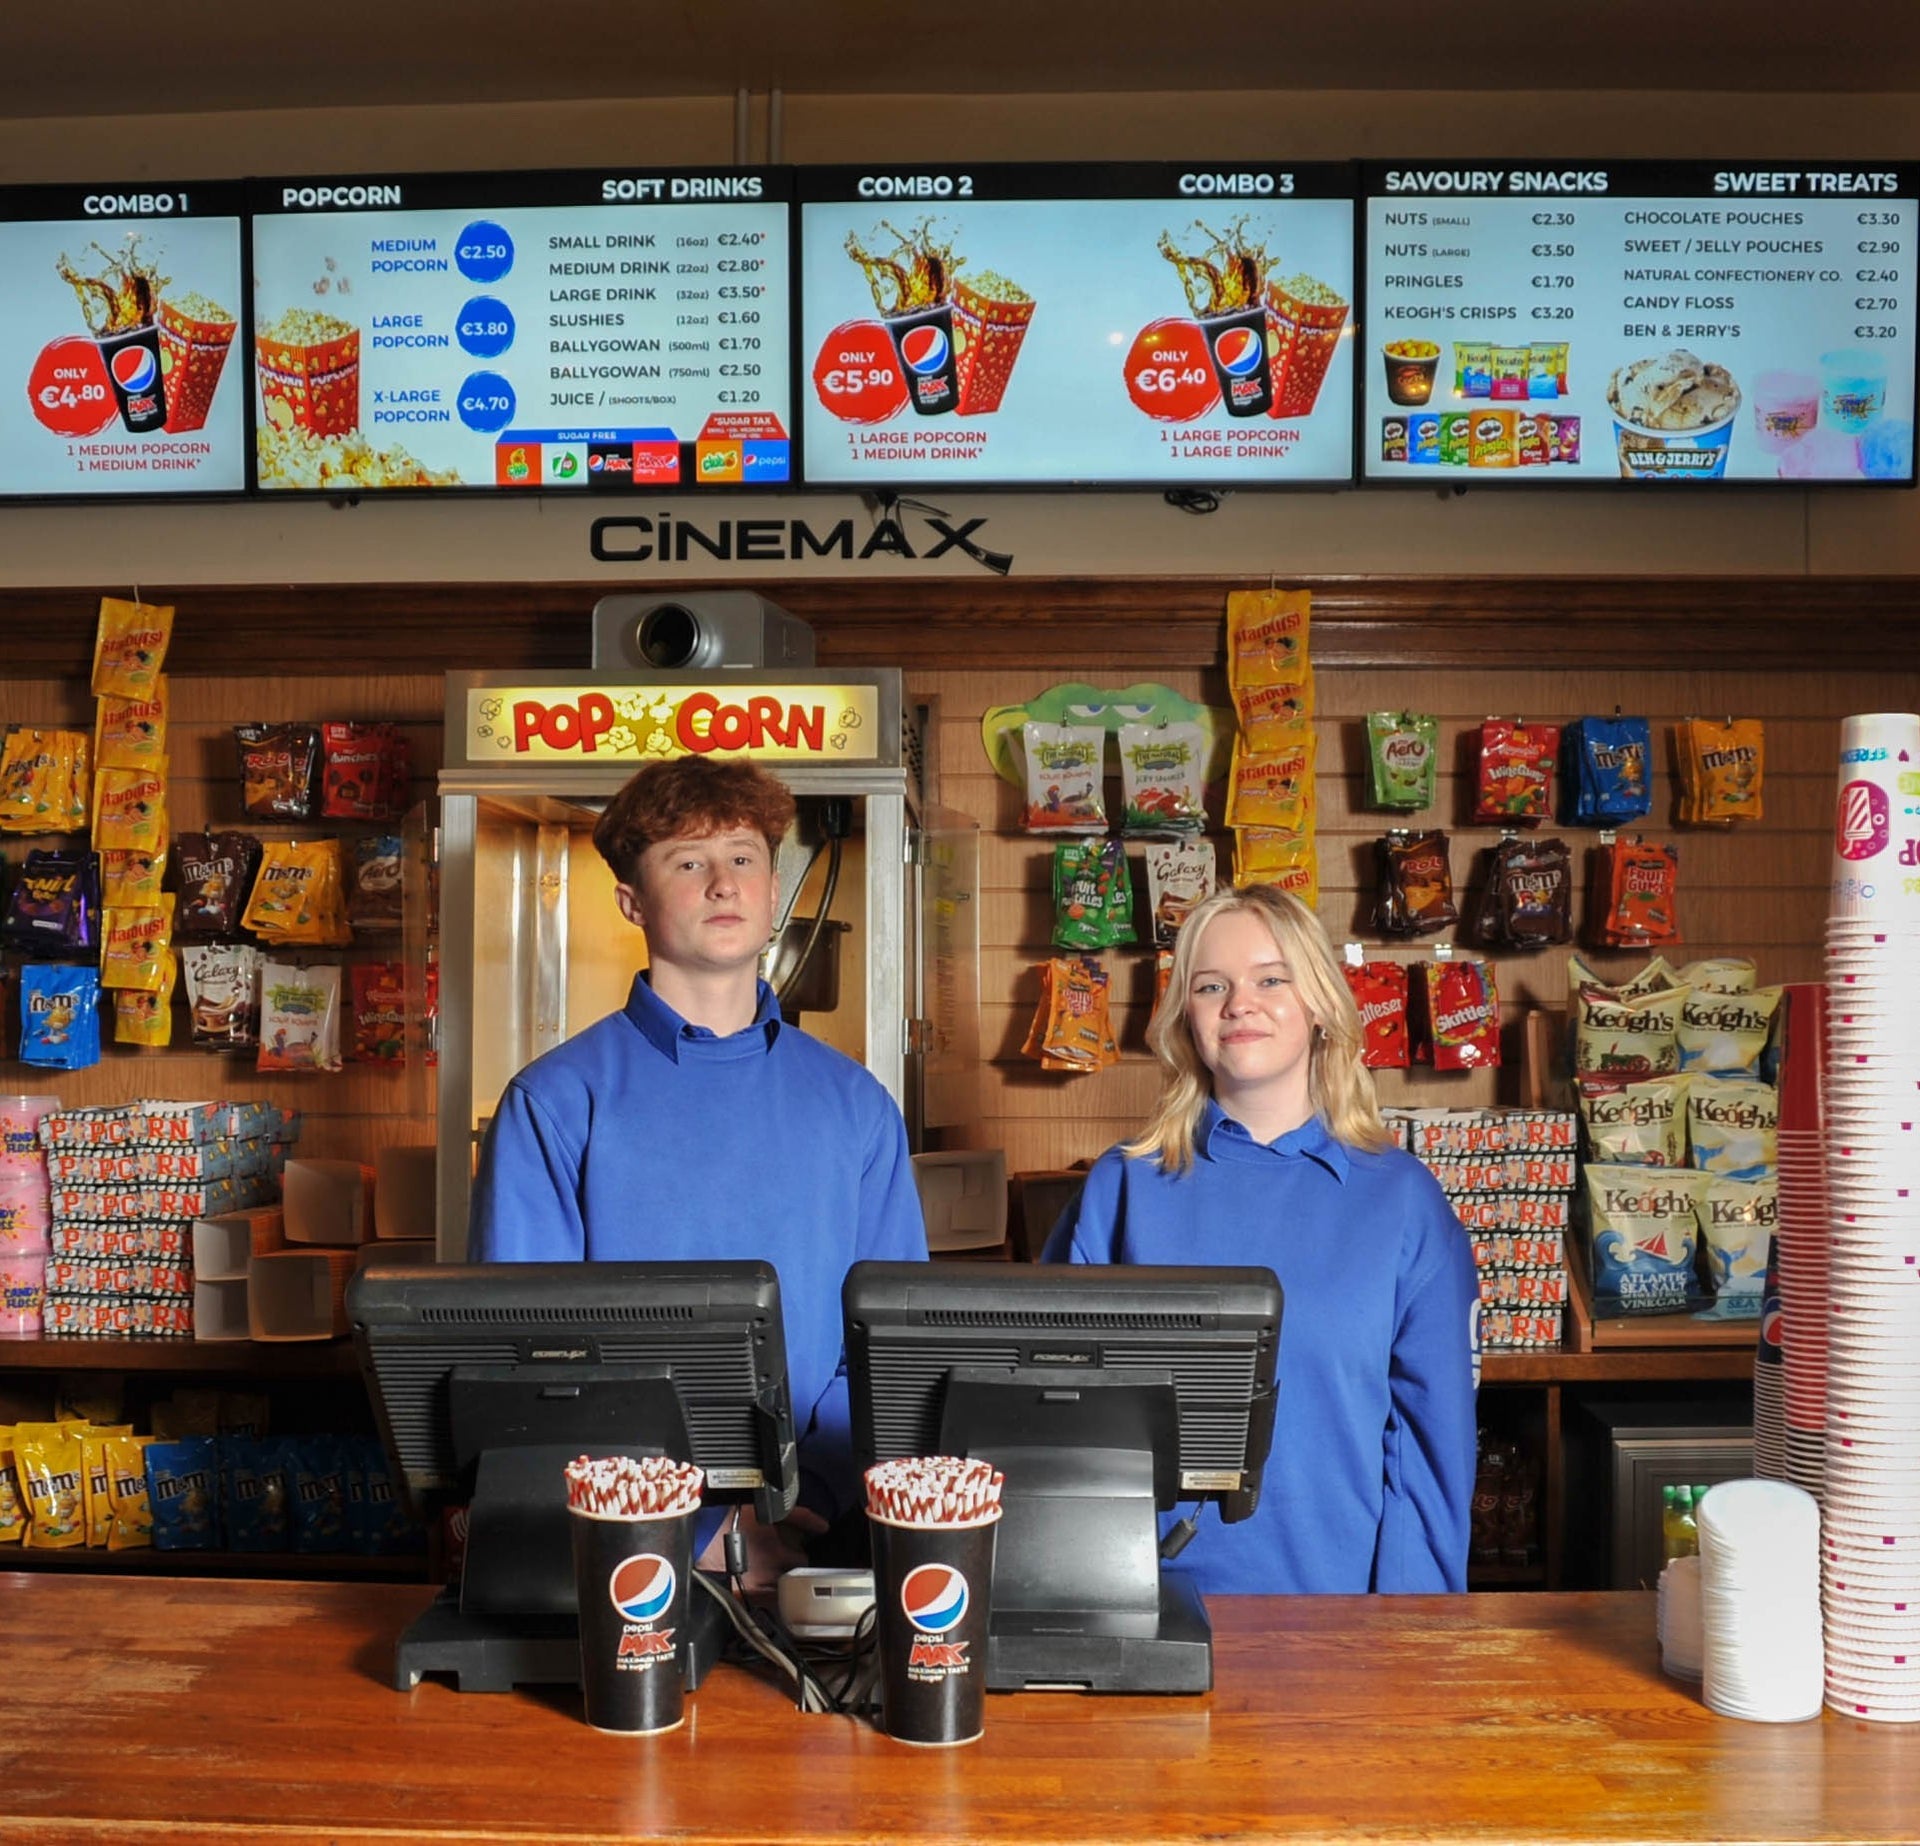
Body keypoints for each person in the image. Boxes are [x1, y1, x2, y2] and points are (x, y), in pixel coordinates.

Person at [469, 755, 927, 1561]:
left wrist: (799, 1502)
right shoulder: (555, 1101)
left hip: (821, 1535)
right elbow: (526, 1356)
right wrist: (688, 1520)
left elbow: (894, 1341)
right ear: (631, 900)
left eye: (744, 858)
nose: (724, 884)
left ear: (774, 887)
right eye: (689, 861)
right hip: (613, 1538)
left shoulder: (855, 1104)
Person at [1043, 883, 1478, 1594]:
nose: (1239, 1003)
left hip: (1338, 1623)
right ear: (1187, 1017)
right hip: (1135, 1607)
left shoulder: (1403, 1203)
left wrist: (1412, 1634)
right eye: (1211, 985)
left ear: (1319, 1007)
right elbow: (1051, 1421)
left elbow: (1432, 1451)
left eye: (1271, 979)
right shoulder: (1122, 1189)